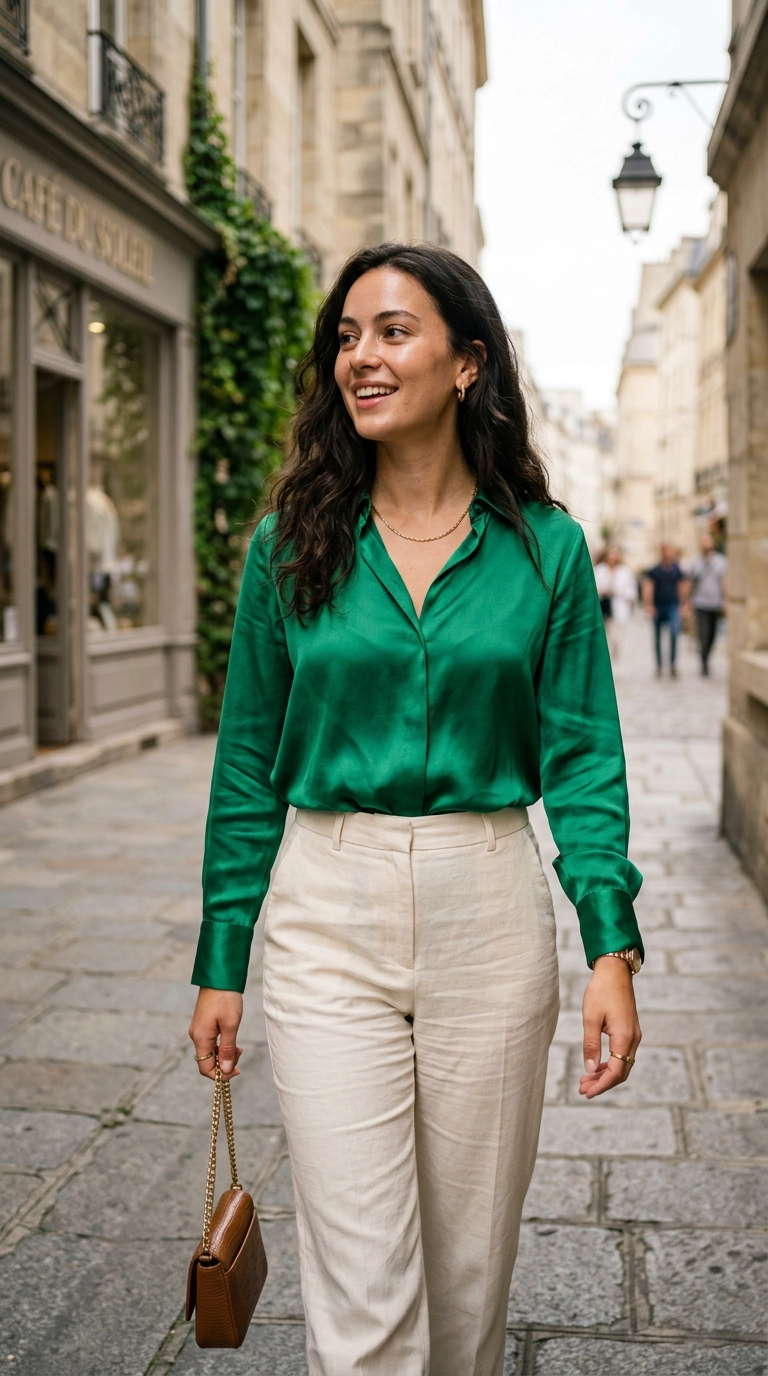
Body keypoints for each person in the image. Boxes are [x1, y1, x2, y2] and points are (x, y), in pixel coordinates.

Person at [189, 243, 644, 1376]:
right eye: (346, 336)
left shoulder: (546, 549)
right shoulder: (289, 543)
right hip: (325, 909)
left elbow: (584, 755)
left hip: (486, 903)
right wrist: (222, 953)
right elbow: (247, 762)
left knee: (467, 1279)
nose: (361, 356)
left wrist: (610, 942)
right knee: (361, 1289)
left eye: (392, 331)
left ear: (465, 363)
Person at [642, 543, 688, 677]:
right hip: (658, 606)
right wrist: (649, 605)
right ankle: (659, 665)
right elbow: (648, 587)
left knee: (674, 633)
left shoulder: (677, 569)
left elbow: (682, 586)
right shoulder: (654, 570)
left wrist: (684, 604)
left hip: (673, 605)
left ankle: (673, 664)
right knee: (657, 637)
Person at [687, 532, 727, 676]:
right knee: (703, 634)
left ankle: (706, 656)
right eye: (703, 541)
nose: (706, 544)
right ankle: (704, 662)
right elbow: (690, 582)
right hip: (700, 603)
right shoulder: (695, 561)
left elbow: (724, 582)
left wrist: (725, 600)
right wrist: (687, 602)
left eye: (708, 541)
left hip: (715, 603)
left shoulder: (721, 561)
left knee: (713, 635)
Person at [594, 545, 638, 661]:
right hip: (603, 606)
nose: (612, 557)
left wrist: (621, 592)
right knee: (604, 635)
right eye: (610, 554)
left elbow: (632, 591)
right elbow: (592, 588)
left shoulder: (624, 571)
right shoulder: (599, 570)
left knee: (616, 637)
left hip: (618, 607)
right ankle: (605, 657)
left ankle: (614, 656)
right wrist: (602, 590)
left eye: (615, 554)